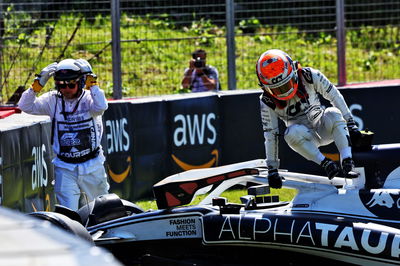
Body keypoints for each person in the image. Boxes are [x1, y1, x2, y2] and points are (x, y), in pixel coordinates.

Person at [256, 49, 361, 189]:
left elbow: (334, 96)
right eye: (277, 89)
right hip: (305, 138)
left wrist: (350, 123)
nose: (283, 91)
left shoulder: (309, 75)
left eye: (285, 85)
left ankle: (348, 162)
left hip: (323, 126)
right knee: (290, 134)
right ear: (265, 88)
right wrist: (272, 169)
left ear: (293, 72)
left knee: (333, 113)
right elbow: (270, 134)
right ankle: (326, 164)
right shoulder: (267, 101)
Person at [18, 58, 110, 210]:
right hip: (65, 167)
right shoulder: (52, 100)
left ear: (80, 83)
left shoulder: (89, 99)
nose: (66, 88)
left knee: (102, 209)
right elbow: (24, 106)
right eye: (61, 85)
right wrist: (37, 85)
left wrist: (92, 82)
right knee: (69, 213)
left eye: (71, 84)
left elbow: (101, 107)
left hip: (92, 165)